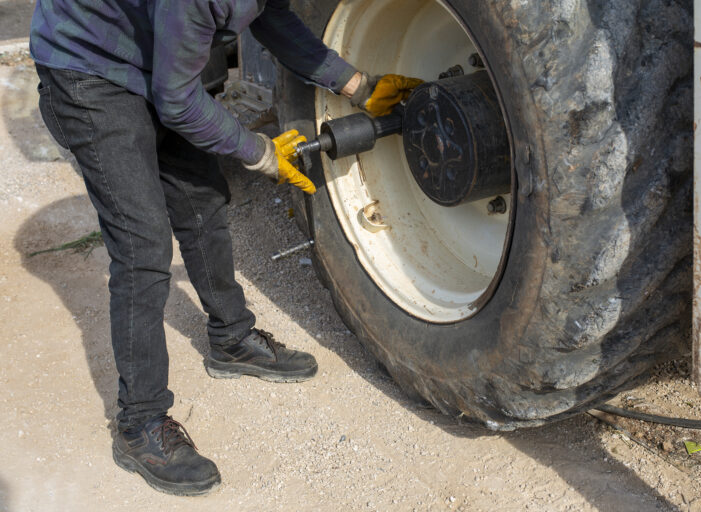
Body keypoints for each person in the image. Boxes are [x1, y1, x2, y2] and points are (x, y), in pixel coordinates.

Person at [30, 0, 422, 496]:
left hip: (158, 53)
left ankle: (231, 338)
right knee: (143, 244)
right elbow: (176, 102)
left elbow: (271, 18)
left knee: (203, 200)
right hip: (89, 66)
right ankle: (140, 424)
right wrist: (258, 153)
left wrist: (357, 86)